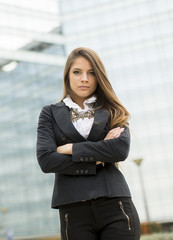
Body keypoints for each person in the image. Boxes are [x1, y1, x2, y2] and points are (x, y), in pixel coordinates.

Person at [36, 47, 140, 240]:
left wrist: (71, 149)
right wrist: (98, 157)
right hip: (73, 210)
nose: (84, 78)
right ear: (67, 75)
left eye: (91, 73)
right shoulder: (49, 113)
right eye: (77, 72)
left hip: (115, 206)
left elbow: (119, 149)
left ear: (98, 77)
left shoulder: (112, 110)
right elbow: (46, 160)